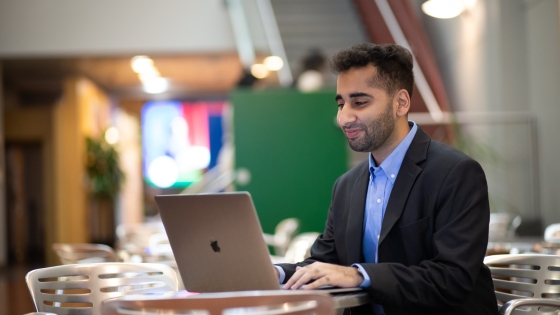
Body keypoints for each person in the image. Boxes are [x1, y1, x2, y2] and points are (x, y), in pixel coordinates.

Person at [274, 43, 498, 315]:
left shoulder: (456, 173)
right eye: (341, 104)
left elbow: (451, 278)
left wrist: (359, 275)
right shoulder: (346, 185)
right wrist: (275, 273)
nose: (344, 117)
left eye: (359, 102)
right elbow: (325, 262)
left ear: (401, 103)